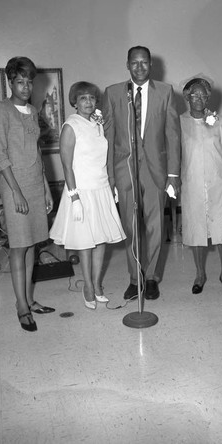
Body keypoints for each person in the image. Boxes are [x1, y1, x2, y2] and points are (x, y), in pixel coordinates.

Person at [102, 46, 181, 300]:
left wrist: (173, 175)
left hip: (155, 170)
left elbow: (172, 135)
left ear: (151, 65)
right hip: (124, 170)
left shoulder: (166, 92)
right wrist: (110, 178)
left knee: (156, 227)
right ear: (127, 65)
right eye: (134, 63)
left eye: (144, 63)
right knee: (130, 227)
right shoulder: (113, 93)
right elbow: (109, 136)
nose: (139, 68)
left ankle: (152, 278)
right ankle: (135, 278)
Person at [0, 56, 55, 332]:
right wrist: (15, 193)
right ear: (10, 82)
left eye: (30, 81)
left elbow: (37, 154)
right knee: (19, 246)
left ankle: (29, 298)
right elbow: (0, 156)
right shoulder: (1, 110)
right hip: (12, 184)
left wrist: (45, 187)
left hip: (33, 183)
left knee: (31, 244)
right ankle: (21, 307)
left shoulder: (32, 111)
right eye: (20, 82)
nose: (26, 86)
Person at [49, 82, 126, 309]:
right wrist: (74, 198)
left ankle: (98, 284)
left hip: (100, 187)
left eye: (92, 98)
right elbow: (67, 166)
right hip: (81, 190)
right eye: (83, 98)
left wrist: (110, 185)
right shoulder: (70, 126)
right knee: (85, 242)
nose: (88, 102)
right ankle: (88, 287)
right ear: (74, 102)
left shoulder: (97, 124)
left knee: (100, 238)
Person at [180, 77, 222, 295]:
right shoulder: (180, 121)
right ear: (187, 97)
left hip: (218, 182)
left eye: (203, 94)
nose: (199, 98)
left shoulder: (217, 120)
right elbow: (176, 154)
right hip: (192, 183)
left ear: (208, 97)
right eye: (194, 94)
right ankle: (200, 274)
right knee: (196, 229)